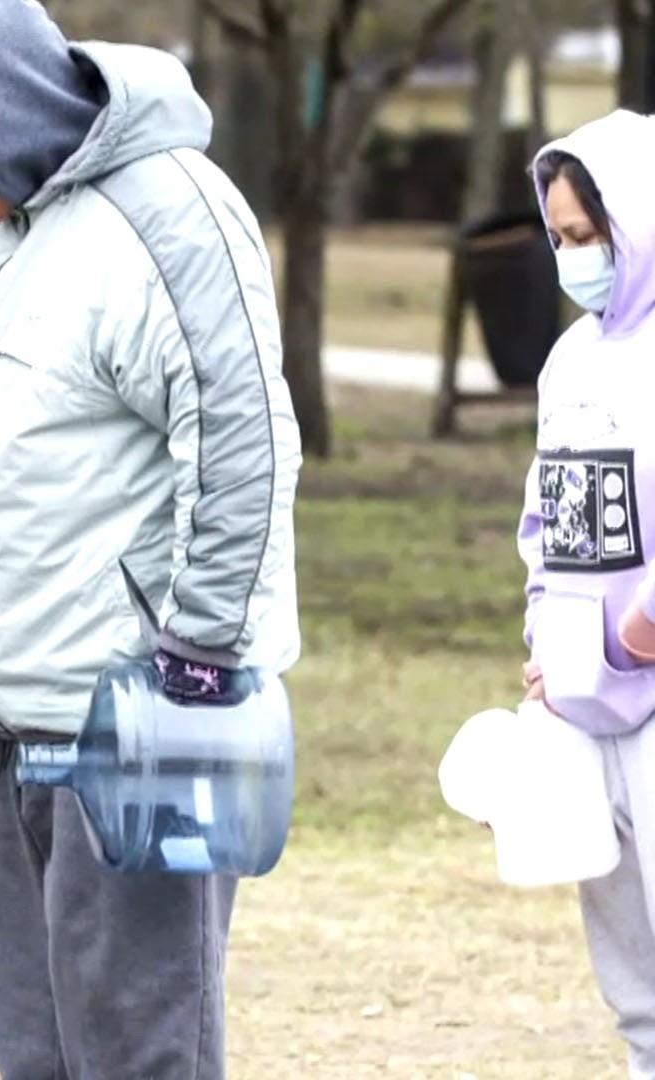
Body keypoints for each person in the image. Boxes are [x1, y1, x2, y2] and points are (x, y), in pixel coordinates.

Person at [0, 2, 302, 1077]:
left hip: (147, 711)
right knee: (31, 1033)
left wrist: (201, 649)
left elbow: (244, 440)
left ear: (2, 114)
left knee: (139, 1040)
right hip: (16, 706)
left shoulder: (173, 216)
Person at [518, 109, 655, 1078]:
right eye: (559, 237)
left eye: (585, 237)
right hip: (577, 701)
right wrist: (542, 638)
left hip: (651, 696)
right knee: (631, 975)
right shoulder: (567, 360)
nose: (571, 257)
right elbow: (545, 518)